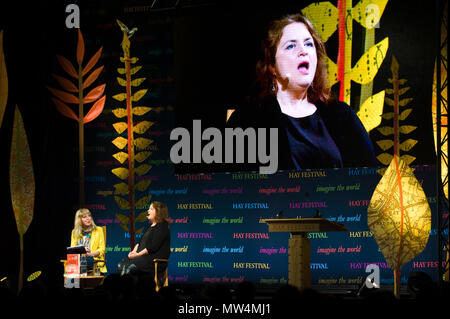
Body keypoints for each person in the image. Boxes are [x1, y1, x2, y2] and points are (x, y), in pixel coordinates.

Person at [227, 14, 376, 171]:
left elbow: (369, 180)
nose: (303, 51)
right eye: (291, 46)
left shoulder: (341, 116)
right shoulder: (247, 119)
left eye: (308, 44)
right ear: (271, 65)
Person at [117, 201, 171, 278]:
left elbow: (153, 247)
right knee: (121, 265)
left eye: (151, 209)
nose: (148, 211)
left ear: (158, 212)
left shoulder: (162, 226)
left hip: (155, 260)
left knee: (129, 267)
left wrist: (137, 255)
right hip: (143, 258)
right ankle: (127, 288)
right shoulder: (150, 226)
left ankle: (128, 288)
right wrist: (133, 252)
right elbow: (139, 242)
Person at [71, 208, 107, 274]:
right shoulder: (74, 232)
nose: (88, 218)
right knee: (73, 261)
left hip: (93, 260)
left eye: (89, 216)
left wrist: (90, 254)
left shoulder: (98, 230)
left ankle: (81, 282)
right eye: (84, 217)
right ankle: (76, 283)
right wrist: (82, 249)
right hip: (78, 259)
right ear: (79, 220)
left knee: (78, 262)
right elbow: (72, 249)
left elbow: (102, 249)